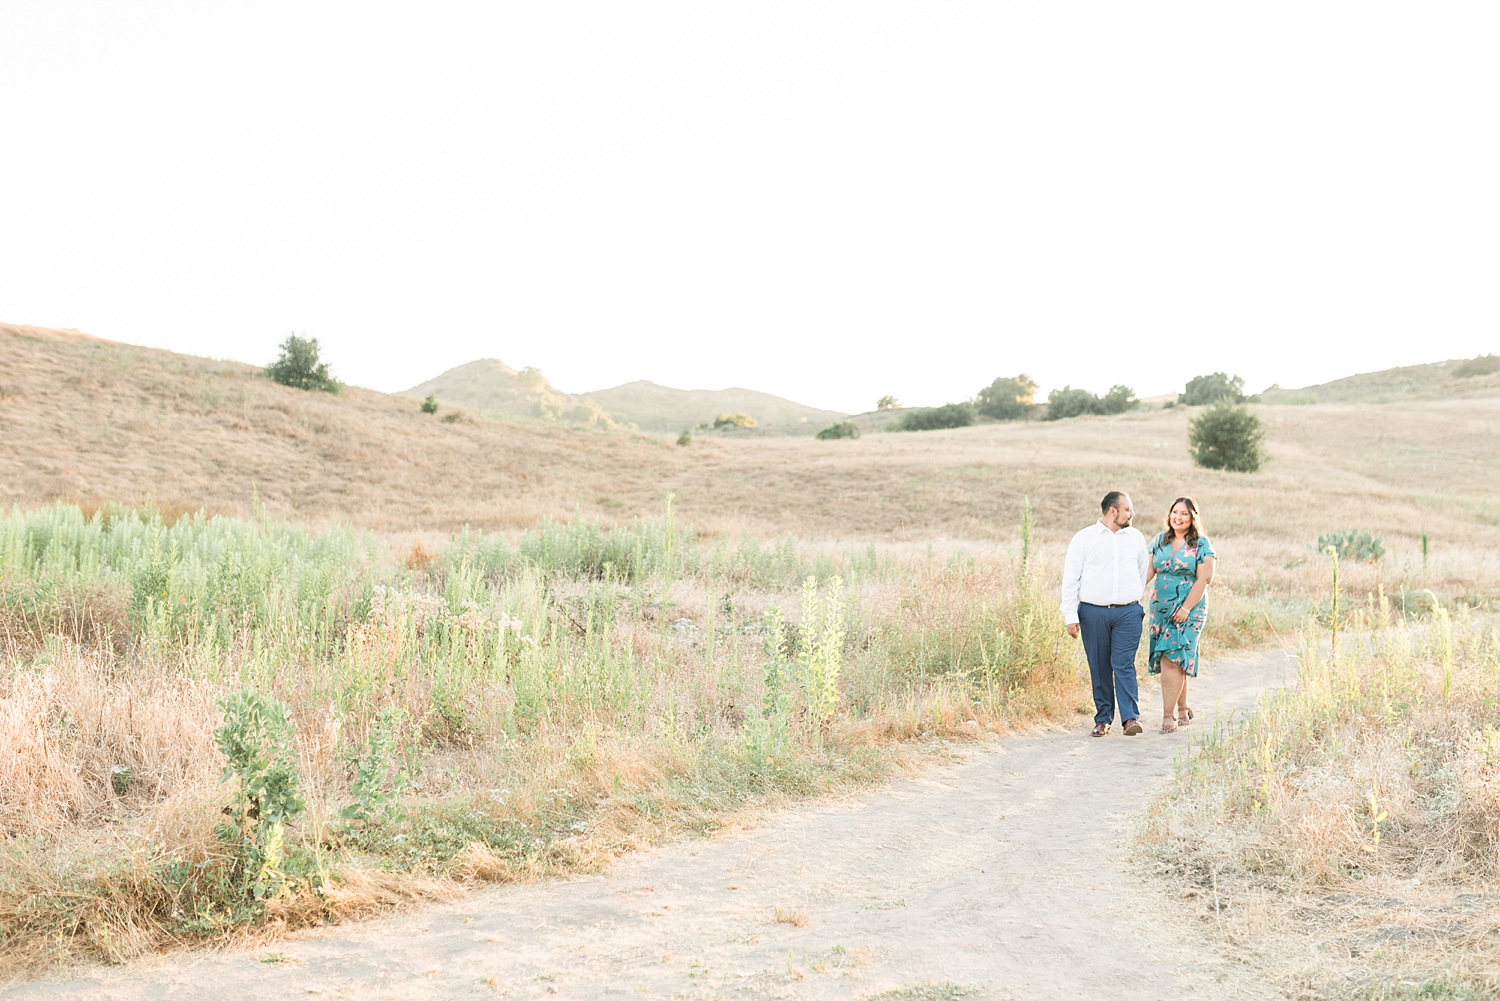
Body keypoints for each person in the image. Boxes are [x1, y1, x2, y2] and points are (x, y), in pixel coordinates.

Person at [1061, 491, 1151, 737]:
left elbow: (1142, 570)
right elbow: (1071, 578)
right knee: (1099, 666)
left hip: (1128, 613)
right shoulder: (1084, 538)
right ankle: (1103, 719)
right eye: (1128, 510)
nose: (1132, 514)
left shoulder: (1135, 537)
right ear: (1113, 511)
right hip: (1093, 613)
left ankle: (1130, 718)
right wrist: (1071, 615)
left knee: (1123, 663)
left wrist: (1130, 597)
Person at [1145, 497, 1216, 733]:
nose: (1178, 517)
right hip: (1160, 608)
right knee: (1174, 657)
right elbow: (1146, 573)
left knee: (1171, 656)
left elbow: (1204, 578)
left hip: (1190, 609)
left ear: (1193, 517)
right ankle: (1183, 708)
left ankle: (1168, 717)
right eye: (1175, 512)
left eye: (1184, 513)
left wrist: (1185, 608)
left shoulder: (1202, 544)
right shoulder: (1159, 540)